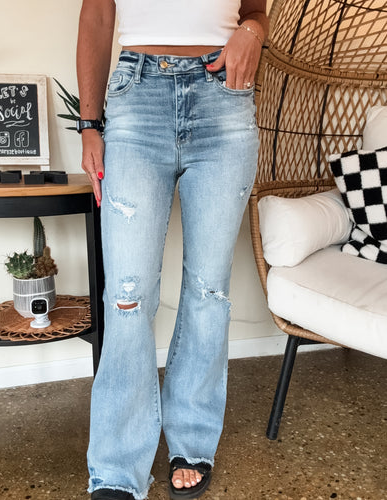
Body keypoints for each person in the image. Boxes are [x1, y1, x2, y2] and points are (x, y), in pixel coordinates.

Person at [76, 1, 268, 499]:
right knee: (127, 294)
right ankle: (117, 465)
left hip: (224, 99)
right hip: (137, 99)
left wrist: (252, 32)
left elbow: (255, 10)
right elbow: (97, 14)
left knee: (208, 289)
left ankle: (192, 439)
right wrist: (89, 124)